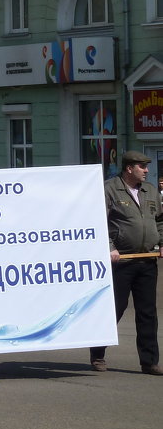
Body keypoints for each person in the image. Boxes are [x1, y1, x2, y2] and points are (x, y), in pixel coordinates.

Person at [89, 150, 163, 375]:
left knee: (147, 312)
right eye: (142, 166)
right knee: (115, 308)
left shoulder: (150, 191)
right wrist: (110, 247)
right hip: (121, 261)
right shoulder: (111, 188)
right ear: (129, 168)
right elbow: (99, 221)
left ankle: (149, 361)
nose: (147, 170)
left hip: (147, 259)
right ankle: (98, 353)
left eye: (146, 166)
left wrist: (162, 242)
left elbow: (159, 221)